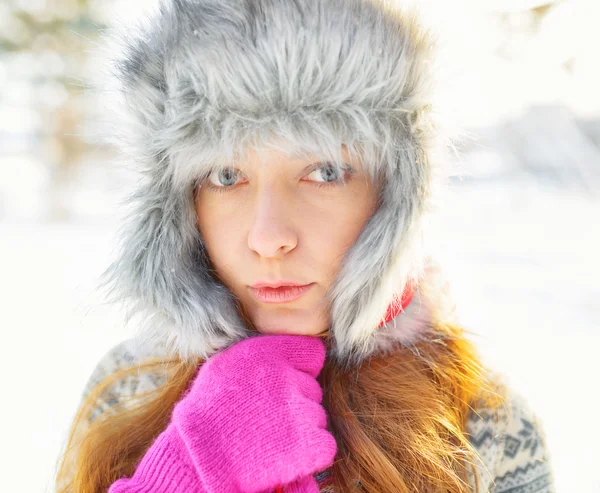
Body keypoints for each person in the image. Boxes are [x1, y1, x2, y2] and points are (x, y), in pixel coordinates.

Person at [54, 0, 556, 491]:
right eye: (227, 176)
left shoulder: (483, 425)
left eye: (324, 172)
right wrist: (187, 474)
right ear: (181, 203)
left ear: (395, 194)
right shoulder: (126, 389)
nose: (269, 238)